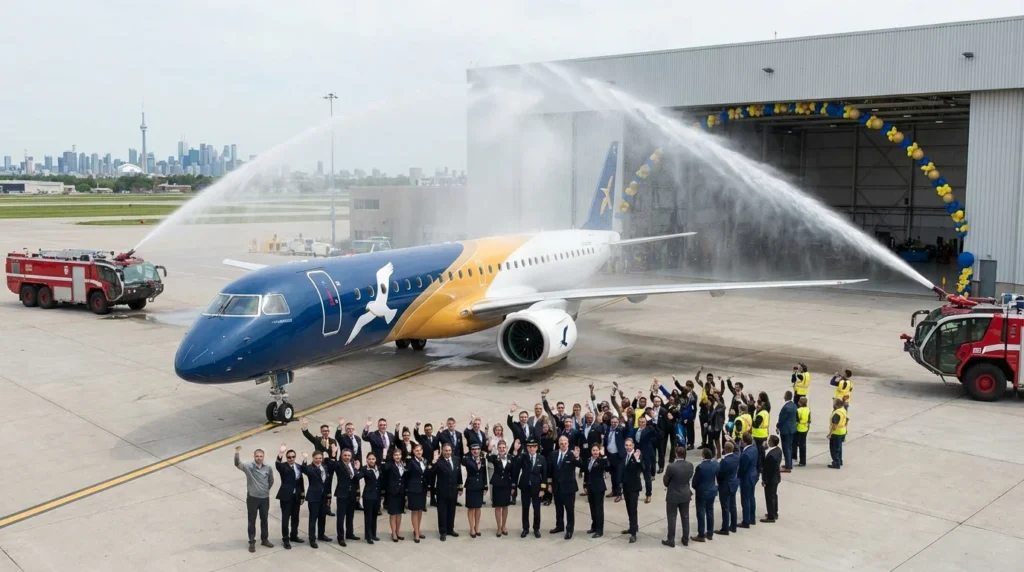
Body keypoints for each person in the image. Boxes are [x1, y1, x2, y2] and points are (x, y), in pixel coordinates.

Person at [234, 446, 274, 552]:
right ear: (254, 456)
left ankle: (264, 539)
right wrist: (237, 453)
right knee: (252, 520)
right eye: (257, 456)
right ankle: (252, 542)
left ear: (263, 457)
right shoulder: (248, 467)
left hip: (264, 498)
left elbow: (271, 481)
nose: (259, 458)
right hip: (252, 498)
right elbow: (237, 464)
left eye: (261, 456)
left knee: (264, 519)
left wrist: (265, 490)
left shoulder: (268, 467)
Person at [301, 418, 338, 516]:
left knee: (328, 486)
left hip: (329, 466)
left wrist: (334, 465)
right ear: (321, 432)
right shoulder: (317, 440)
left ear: (329, 431)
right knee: (318, 485)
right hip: (319, 466)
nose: (325, 432)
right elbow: (307, 435)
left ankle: (327, 507)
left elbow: (335, 453)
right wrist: (305, 426)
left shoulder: (333, 441)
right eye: (323, 431)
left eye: (327, 431)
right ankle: (318, 504)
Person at [325, 445, 360, 546]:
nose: (347, 457)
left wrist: (357, 469)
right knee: (341, 517)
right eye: (345, 455)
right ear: (341, 456)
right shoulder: (338, 465)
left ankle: (350, 533)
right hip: (342, 494)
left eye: (349, 455)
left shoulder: (354, 464)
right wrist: (333, 454)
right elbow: (331, 465)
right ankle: (340, 537)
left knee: (350, 515)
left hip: (352, 493)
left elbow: (357, 477)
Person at [547, 435, 579, 539]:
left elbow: (580, 464)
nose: (563, 445)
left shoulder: (572, 454)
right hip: (557, 487)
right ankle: (559, 526)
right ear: (558, 444)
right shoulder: (553, 454)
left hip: (569, 487)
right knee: (558, 508)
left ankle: (569, 530)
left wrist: (577, 457)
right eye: (561, 443)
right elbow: (550, 471)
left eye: (565, 443)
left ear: (568, 444)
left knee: (569, 509)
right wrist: (549, 484)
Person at [429, 443, 462, 540]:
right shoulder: (439, 462)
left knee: (452, 511)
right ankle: (443, 532)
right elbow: (431, 473)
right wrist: (433, 462)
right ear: (442, 451)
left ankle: (450, 529)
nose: (448, 452)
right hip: (442, 491)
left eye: (449, 450)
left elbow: (459, 474)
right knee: (442, 512)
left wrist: (460, 488)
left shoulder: (456, 460)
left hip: (453, 491)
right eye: (446, 450)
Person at [662, 446, 694, 548]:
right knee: (685, 517)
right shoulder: (690, 465)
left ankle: (671, 539)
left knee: (672, 517)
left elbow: (666, 482)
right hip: (685, 494)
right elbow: (689, 477)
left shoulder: (671, 467)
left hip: (673, 495)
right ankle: (685, 539)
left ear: (676, 454)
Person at [274, 444, 304, 549]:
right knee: (285, 519)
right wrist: (280, 453)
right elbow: (277, 464)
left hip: (296, 497)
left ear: (295, 457)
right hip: (286, 497)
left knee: (295, 518)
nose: (291, 459)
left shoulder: (299, 467)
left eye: (293, 457)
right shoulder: (283, 466)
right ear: (287, 458)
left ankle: (294, 536)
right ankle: (285, 539)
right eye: (289, 457)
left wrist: (302, 495)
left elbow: (301, 482)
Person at [514, 438, 546, 538]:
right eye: (529, 447)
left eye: (533, 447)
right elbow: (516, 466)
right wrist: (515, 451)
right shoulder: (523, 457)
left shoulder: (541, 458)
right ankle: (525, 528)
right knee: (525, 508)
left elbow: (544, 474)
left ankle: (536, 528)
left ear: (537, 448)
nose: (531, 449)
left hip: (537, 487)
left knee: (536, 509)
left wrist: (542, 489)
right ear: (527, 448)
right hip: (525, 487)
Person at [301, 450, 332, 548]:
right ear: (313, 459)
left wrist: (328, 496)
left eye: (320, 458)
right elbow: (304, 469)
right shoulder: (310, 468)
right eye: (316, 458)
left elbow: (327, 483)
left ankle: (321, 535)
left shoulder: (325, 467)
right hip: (313, 497)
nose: (318, 460)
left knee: (323, 517)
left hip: (323, 497)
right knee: (313, 518)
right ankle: (312, 539)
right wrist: (305, 460)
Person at [487, 439, 516, 537]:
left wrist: (513, 486)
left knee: (505, 506)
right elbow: (487, 457)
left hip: (507, 484)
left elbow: (513, 473)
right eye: (500, 448)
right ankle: (499, 527)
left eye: (503, 447)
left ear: (506, 448)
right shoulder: (495, 457)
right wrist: (490, 449)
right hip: (497, 485)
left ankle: (504, 526)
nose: (502, 449)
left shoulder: (511, 458)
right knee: (498, 506)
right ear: (497, 448)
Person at [579, 443, 608, 538]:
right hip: (590, 486)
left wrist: (603, 455)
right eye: (593, 450)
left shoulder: (601, 460)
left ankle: (600, 530)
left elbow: (607, 465)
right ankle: (594, 526)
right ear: (591, 451)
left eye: (597, 450)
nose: (595, 452)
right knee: (592, 508)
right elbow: (586, 473)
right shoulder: (588, 460)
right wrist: (585, 484)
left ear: (599, 451)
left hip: (599, 488)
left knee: (599, 509)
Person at [690, 446, 719, 543]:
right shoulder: (715, 464)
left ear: (703, 455)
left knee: (701, 513)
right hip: (712, 491)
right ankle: (710, 533)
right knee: (710, 511)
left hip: (702, 492)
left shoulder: (700, 467)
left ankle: (701, 534)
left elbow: (694, 482)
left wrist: (696, 488)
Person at [335, 417, 364, 511]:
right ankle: (346, 501)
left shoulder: (357, 438)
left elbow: (359, 451)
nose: (350, 430)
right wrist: (340, 426)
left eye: (351, 429)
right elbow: (337, 436)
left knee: (356, 483)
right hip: (346, 463)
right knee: (346, 482)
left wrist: (359, 463)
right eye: (348, 429)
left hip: (356, 463)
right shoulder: (342, 437)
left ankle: (357, 502)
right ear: (345, 430)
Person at [620, 438, 643, 543]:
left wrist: (638, 460)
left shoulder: (637, 455)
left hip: (634, 487)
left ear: (633, 445)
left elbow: (643, 467)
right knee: (629, 508)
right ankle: (632, 527)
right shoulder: (625, 456)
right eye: (626, 445)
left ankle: (633, 533)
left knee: (633, 509)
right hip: (626, 487)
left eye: (630, 445)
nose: (628, 447)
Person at [405, 443, 430, 543]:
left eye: (420, 450)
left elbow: (426, 475)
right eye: (416, 451)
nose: (419, 452)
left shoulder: (424, 460)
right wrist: (407, 490)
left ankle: (418, 530)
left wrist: (428, 488)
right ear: (413, 452)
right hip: (414, 489)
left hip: (422, 489)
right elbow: (407, 476)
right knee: (415, 511)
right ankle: (416, 533)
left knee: (420, 511)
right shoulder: (411, 462)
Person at [463, 442, 488, 537]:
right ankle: (471, 527)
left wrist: (485, 485)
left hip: (480, 485)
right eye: (474, 450)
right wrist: (466, 453)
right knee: (471, 507)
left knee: (478, 507)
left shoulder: (482, 459)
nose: (476, 451)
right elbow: (463, 462)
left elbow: (484, 473)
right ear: (471, 451)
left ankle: (477, 527)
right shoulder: (467, 459)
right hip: (471, 485)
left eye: (477, 449)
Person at [382, 448, 407, 542]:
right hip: (392, 492)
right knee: (393, 513)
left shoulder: (403, 464)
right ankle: (393, 533)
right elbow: (384, 469)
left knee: (399, 513)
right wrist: (385, 458)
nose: (397, 456)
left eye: (399, 455)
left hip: (401, 492)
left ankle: (398, 531)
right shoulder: (389, 465)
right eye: (395, 455)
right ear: (392, 456)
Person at [356, 452, 381, 544]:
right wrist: (357, 468)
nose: (371, 460)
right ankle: (368, 536)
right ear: (366, 460)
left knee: (375, 515)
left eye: (373, 459)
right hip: (368, 495)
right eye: (369, 459)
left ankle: (373, 534)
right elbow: (358, 476)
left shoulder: (378, 468)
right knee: (368, 517)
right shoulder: (364, 469)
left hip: (377, 495)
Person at [716, 441, 740, 536]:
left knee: (725, 507)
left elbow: (720, 474)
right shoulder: (736, 457)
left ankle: (725, 528)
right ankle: (733, 526)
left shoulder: (724, 461)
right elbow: (737, 449)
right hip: (733, 483)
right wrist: (732, 441)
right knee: (733, 505)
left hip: (725, 486)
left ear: (725, 450)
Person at [633, 415, 658, 502]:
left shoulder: (649, 429)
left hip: (646, 457)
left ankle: (648, 494)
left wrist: (652, 420)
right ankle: (637, 491)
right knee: (636, 475)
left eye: (643, 422)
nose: (642, 423)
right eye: (640, 422)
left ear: (646, 422)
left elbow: (655, 431)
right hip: (637, 456)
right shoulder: (636, 431)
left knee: (647, 476)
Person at [604, 414, 627, 501]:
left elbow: (627, 429)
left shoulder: (621, 429)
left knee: (618, 476)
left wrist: (625, 420)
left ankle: (619, 494)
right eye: (612, 422)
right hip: (610, 456)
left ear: (618, 422)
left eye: (615, 422)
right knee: (612, 475)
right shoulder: (608, 430)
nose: (614, 423)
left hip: (619, 456)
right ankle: (614, 491)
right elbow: (606, 441)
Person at [739, 433, 759, 528]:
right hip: (753, 476)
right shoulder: (754, 449)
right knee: (751, 497)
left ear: (745, 442)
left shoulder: (745, 454)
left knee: (745, 499)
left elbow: (742, 469)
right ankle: (752, 518)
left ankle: (746, 521)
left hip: (746, 478)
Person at [761, 435, 783, 523]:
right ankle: (774, 512)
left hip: (771, 479)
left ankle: (771, 516)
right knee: (774, 495)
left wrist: (765, 480)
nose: (768, 441)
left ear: (772, 442)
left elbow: (768, 470)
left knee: (770, 497)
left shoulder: (771, 456)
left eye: (769, 440)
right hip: (776, 477)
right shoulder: (778, 450)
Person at [776, 391, 797, 473]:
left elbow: (782, 419)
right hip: (791, 429)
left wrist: (777, 426)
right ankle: (789, 463)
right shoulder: (794, 405)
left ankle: (788, 466)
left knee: (786, 448)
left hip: (785, 430)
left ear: (786, 396)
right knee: (789, 447)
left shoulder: (786, 407)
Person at [751, 398, 771, 473]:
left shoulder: (760, 415)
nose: (756, 406)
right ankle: (763, 466)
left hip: (758, 436)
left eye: (757, 404)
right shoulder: (765, 412)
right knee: (762, 451)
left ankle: (759, 467)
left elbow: (756, 425)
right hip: (764, 434)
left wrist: (751, 421)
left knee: (759, 452)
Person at [828, 398, 848, 469]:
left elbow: (834, 425)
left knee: (834, 448)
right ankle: (840, 460)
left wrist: (830, 434)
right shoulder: (843, 410)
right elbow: (847, 420)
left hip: (836, 433)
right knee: (839, 447)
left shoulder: (837, 413)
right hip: (842, 431)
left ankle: (836, 463)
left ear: (836, 405)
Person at [794, 397, 811, 467]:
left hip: (799, 429)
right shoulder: (808, 410)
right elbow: (809, 419)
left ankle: (795, 458)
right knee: (803, 445)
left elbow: (796, 421)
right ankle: (803, 461)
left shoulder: (798, 410)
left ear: (800, 403)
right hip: (805, 428)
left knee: (795, 444)